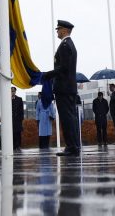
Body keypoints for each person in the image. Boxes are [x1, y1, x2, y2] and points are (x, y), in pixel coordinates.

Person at [42, 20, 80, 156]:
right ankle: (74, 145)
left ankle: (72, 147)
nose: (57, 31)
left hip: (64, 88)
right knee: (70, 117)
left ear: (64, 30)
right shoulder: (68, 44)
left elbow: (63, 68)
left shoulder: (65, 45)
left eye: (58, 29)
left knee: (67, 118)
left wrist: (48, 74)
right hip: (68, 87)